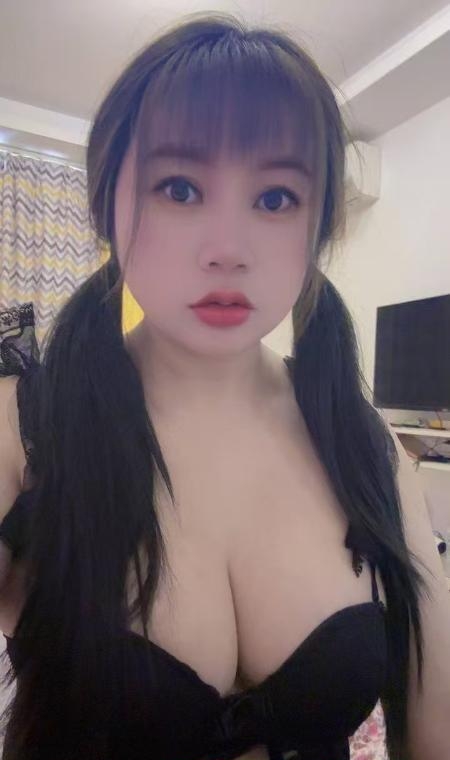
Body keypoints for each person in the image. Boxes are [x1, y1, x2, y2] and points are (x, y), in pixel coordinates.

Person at [0, 11, 449, 760]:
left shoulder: (363, 441)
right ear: (107, 203)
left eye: (275, 199)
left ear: (316, 227)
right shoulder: (26, 428)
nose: (229, 250)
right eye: (179, 188)